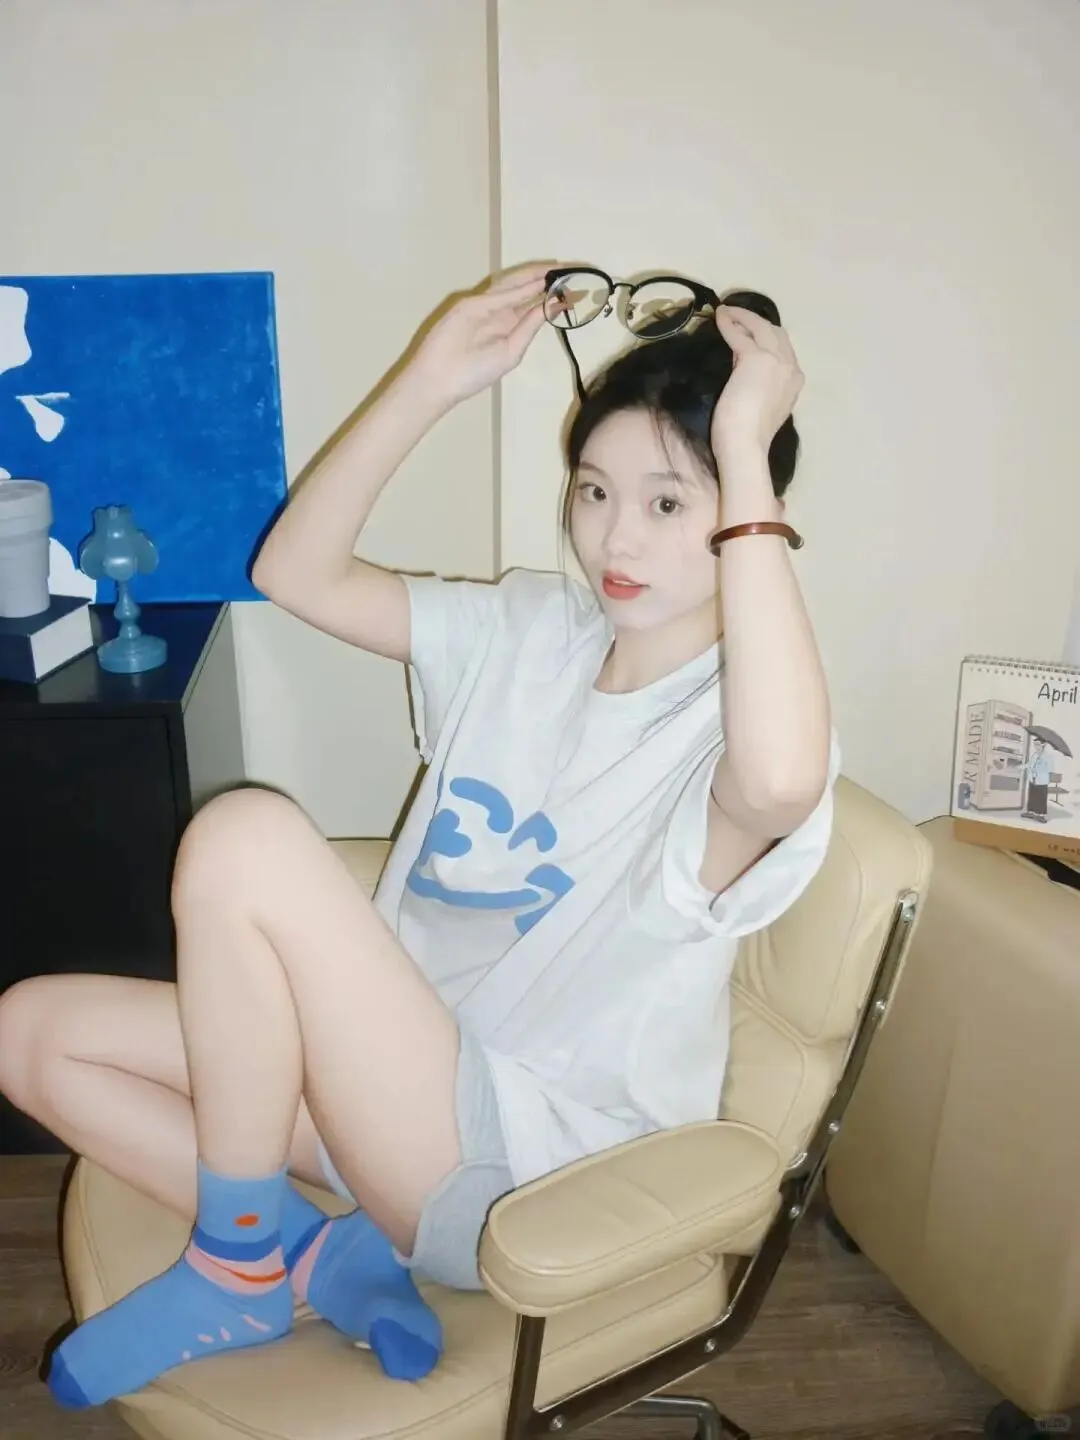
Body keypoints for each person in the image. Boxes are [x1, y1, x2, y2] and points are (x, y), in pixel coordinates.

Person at [0, 260, 837, 1410]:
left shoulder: (724, 730)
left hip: (513, 1169)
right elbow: (292, 572)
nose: (615, 538)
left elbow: (782, 781)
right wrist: (430, 378)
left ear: (742, 512)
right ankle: (309, 1258)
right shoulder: (531, 629)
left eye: (668, 503)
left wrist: (744, 445)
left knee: (246, 835)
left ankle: (232, 1265)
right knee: (29, 1036)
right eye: (594, 490)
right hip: (377, 1093)